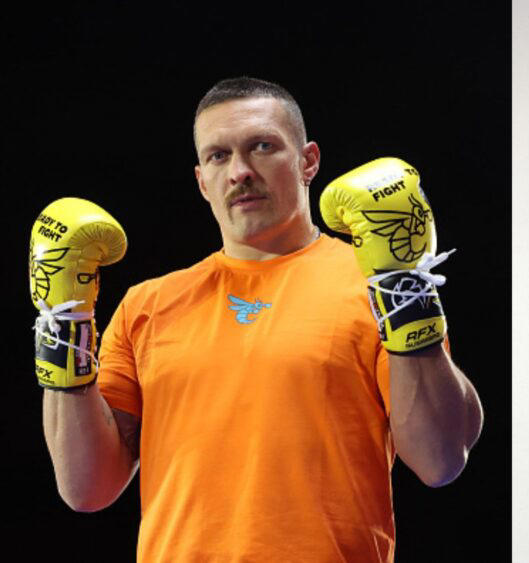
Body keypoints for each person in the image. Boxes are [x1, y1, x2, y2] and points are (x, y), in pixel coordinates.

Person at [34, 77, 483, 562]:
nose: (239, 171)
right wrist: (63, 321)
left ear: (308, 160)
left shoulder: (370, 286)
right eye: (218, 156)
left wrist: (403, 285)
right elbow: (86, 488)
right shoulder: (148, 304)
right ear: (202, 180)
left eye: (262, 146)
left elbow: (441, 459)